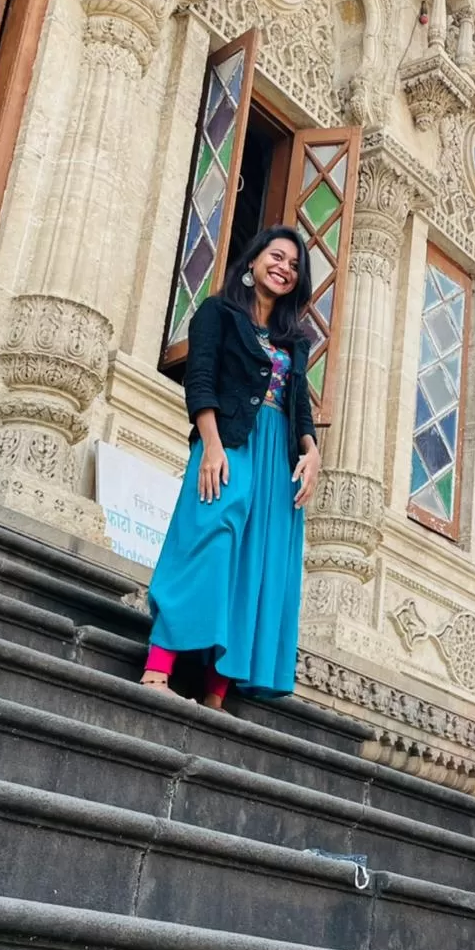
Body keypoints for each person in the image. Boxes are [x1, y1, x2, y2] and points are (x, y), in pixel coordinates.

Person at [140, 226, 321, 708]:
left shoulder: (295, 340)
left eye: (294, 265)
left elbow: (299, 404)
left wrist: (312, 451)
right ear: (254, 261)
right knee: (208, 541)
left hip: (276, 460)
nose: (284, 267)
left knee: (254, 565)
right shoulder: (217, 313)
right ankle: (158, 670)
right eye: (276, 257)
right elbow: (199, 381)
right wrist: (213, 446)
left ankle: (217, 692)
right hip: (229, 442)